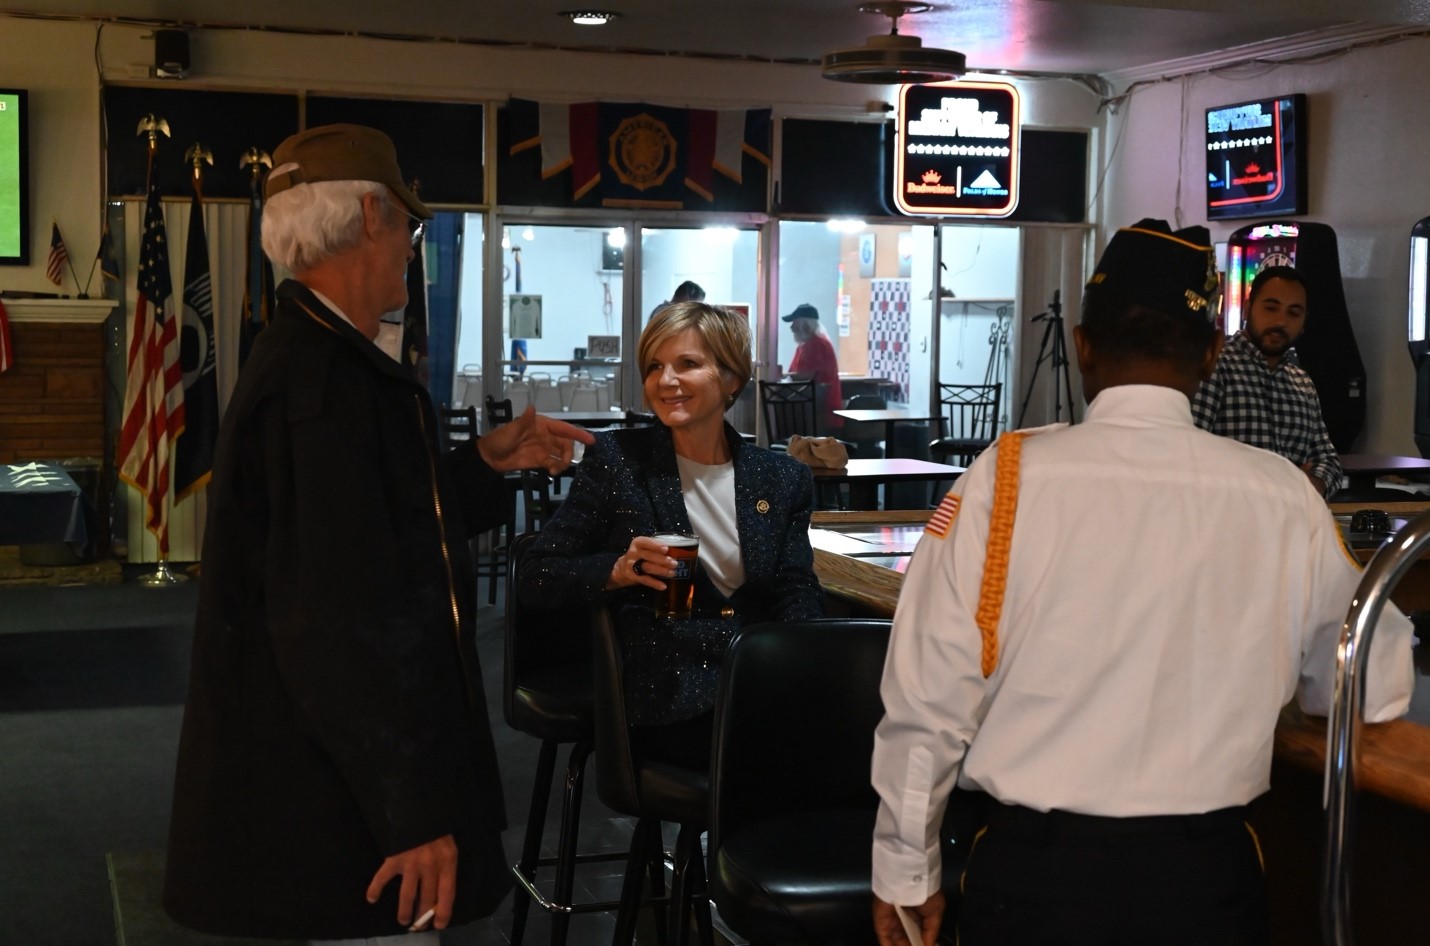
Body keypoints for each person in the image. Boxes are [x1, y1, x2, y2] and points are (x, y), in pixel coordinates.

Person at [869, 220, 1414, 946]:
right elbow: (1371, 681)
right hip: (1203, 887)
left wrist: (906, 871)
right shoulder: (1282, 495)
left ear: (1085, 349)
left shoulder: (1006, 478)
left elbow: (927, 699)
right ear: (1214, 354)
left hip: (1038, 886)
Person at [162, 124, 596, 944]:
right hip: (337, 816)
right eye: (408, 225)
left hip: (325, 791)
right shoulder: (325, 383)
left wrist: (479, 469)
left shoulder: (314, 358)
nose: (408, 248)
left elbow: (376, 535)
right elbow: (335, 619)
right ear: (371, 217)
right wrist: (415, 811)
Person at [520, 301, 823, 767]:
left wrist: (802, 663)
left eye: (688, 364)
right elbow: (537, 576)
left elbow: (794, 587)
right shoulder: (619, 462)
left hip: (755, 683)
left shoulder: (781, 478)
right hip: (666, 693)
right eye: (655, 367)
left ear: (731, 380)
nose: (666, 381)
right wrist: (618, 571)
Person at [1191, 265, 1344, 498]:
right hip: (1229, 517)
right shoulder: (1217, 366)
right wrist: (1270, 482)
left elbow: (1328, 460)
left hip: (1292, 520)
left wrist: (1313, 484)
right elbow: (1189, 450)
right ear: (1247, 309)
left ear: (1304, 322)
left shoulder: (1301, 383)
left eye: (1293, 313)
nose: (1281, 321)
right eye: (1271, 308)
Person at [783, 302, 843, 433]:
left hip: (820, 411)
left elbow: (807, 375)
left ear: (805, 325)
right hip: (810, 410)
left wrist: (780, 376)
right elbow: (793, 373)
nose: (791, 328)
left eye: (794, 323)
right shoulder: (804, 346)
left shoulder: (818, 344)